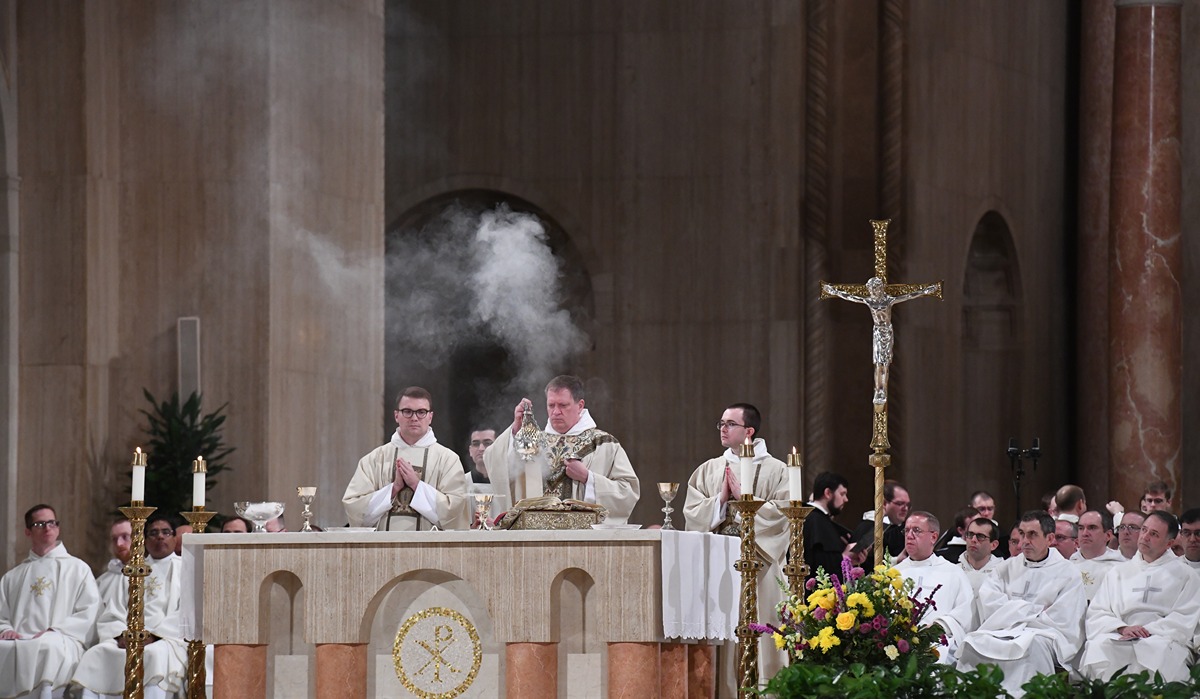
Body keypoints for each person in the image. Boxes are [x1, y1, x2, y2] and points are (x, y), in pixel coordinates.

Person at [682, 403, 790, 690]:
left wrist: (746, 501)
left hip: (761, 567)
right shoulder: (709, 469)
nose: (723, 429)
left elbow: (783, 518)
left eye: (730, 424)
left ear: (749, 431)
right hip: (717, 566)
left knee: (764, 635)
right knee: (722, 635)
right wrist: (719, 501)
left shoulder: (777, 470)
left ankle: (763, 691)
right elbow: (692, 513)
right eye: (721, 423)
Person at [957, 512, 1086, 698]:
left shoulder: (1068, 573)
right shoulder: (1007, 567)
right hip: (1004, 630)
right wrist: (1033, 610)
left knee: (1032, 645)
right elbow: (990, 602)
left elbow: (1064, 619)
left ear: (1049, 538)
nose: (1024, 541)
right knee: (973, 642)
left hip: (1045, 635)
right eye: (1022, 534)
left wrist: (1013, 611)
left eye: (1032, 534)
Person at [484, 375, 640, 524]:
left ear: (580, 406)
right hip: (538, 539)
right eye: (551, 405)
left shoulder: (604, 444)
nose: (556, 412)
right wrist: (516, 431)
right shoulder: (533, 441)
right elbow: (500, 466)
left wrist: (588, 478)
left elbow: (628, 492)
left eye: (563, 405)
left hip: (584, 541)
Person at [72, 513, 187, 699]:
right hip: (127, 638)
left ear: (174, 538)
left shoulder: (186, 569)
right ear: (143, 539)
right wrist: (120, 635)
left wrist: (154, 636)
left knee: (153, 656)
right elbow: (113, 612)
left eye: (166, 532)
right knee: (97, 654)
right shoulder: (132, 570)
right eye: (153, 532)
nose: (159, 536)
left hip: (165, 639)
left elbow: (186, 612)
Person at [1078, 511, 1200, 682]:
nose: (1145, 537)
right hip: (1120, 634)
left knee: (1159, 650)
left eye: (1154, 534)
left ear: (1169, 543)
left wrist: (1146, 631)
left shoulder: (1185, 575)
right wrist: (1121, 628)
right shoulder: (1118, 572)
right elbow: (1098, 611)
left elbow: (1184, 619)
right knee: (1098, 647)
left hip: (1162, 638)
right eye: (1144, 530)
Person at [0, 504, 100, 699]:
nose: (47, 528)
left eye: (52, 523)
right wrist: (5, 629)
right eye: (40, 524)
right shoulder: (13, 576)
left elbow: (89, 612)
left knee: (49, 647)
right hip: (19, 639)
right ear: (28, 532)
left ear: (58, 528)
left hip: (61, 638)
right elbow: (1, 614)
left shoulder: (78, 568)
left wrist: (55, 630)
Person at [343, 386, 471, 531]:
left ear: (430, 417)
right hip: (383, 550)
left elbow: (455, 514)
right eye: (407, 411)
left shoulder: (448, 460)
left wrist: (416, 485)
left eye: (421, 412)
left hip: (431, 551)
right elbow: (355, 510)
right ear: (396, 415)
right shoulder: (374, 459)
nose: (414, 418)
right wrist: (393, 489)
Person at [820, 276, 941, 405]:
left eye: (874, 289)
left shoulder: (888, 300)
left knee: (885, 362)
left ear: (880, 288)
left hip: (886, 333)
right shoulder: (870, 301)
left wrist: (926, 291)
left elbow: (909, 295)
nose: (872, 292)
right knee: (878, 363)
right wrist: (834, 292)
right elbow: (851, 297)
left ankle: (882, 389)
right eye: (870, 289)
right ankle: (879, 390)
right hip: (877, 332)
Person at [894, 512, 974, 664]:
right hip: (897, 643)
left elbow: (964, 613)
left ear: (933, 537)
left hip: (937, 643)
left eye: (916, 530)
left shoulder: (953, 573)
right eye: (906, 530)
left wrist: (938, 627)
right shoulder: (895, 573)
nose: (909, 535)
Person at [803, 472, 852, 580]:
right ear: (828, 493)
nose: (846, 499)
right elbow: (820, 564)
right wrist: (846, 557)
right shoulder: (815, 520)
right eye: (842, 494)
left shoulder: (819, 519)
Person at [1070, 510, 1125, 602]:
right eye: (1081, 528)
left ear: (1108, 535)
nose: (1085, 533)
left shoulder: (1119, 568)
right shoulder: (1068, 565)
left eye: (1092, 528)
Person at [850, 480, 909, 559]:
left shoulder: (908, 527)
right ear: (884, 503)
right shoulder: (867, 529)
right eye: (900, 503)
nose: (905, 508)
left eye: (908, 504)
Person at [958, 517, 1002, 595]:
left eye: (980, 536)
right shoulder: (954, 571)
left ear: (993, 545)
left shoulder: (1003, 573)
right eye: (970, 534)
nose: (973, 540)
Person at [95, 518, 132, 605]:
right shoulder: (102, 581)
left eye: (125, 537)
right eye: (114, 539)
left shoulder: (152, 575)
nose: (119, 544)